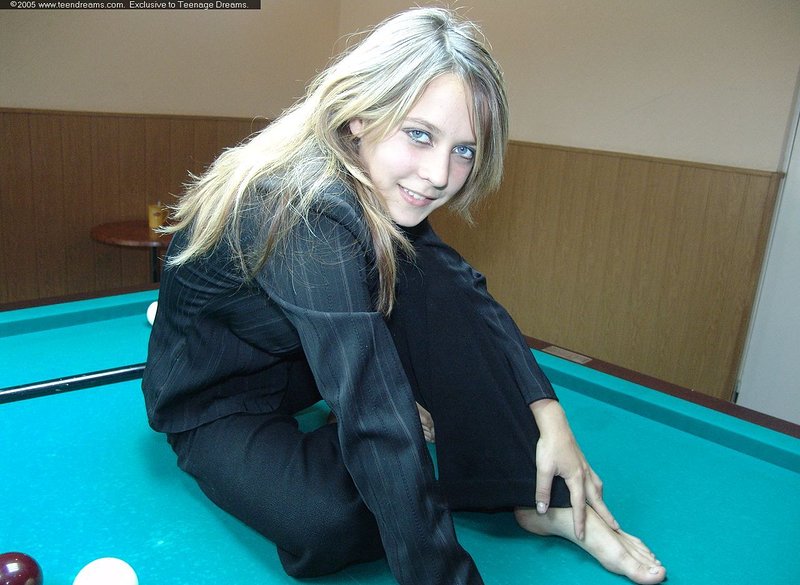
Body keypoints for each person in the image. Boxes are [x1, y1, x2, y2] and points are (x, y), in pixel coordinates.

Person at [142, 7, 666, 585]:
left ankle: (531, 496)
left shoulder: (373, 183)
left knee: (433, 281)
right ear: (361, 116)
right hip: (220, 402)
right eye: (420, 135)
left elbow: (463, 293)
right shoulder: (300, 208)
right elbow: (373, 411)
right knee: (335, 522)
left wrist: (548, 413)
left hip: (301, 370)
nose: (439, 174)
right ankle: (413, 444)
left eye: (464, 150)